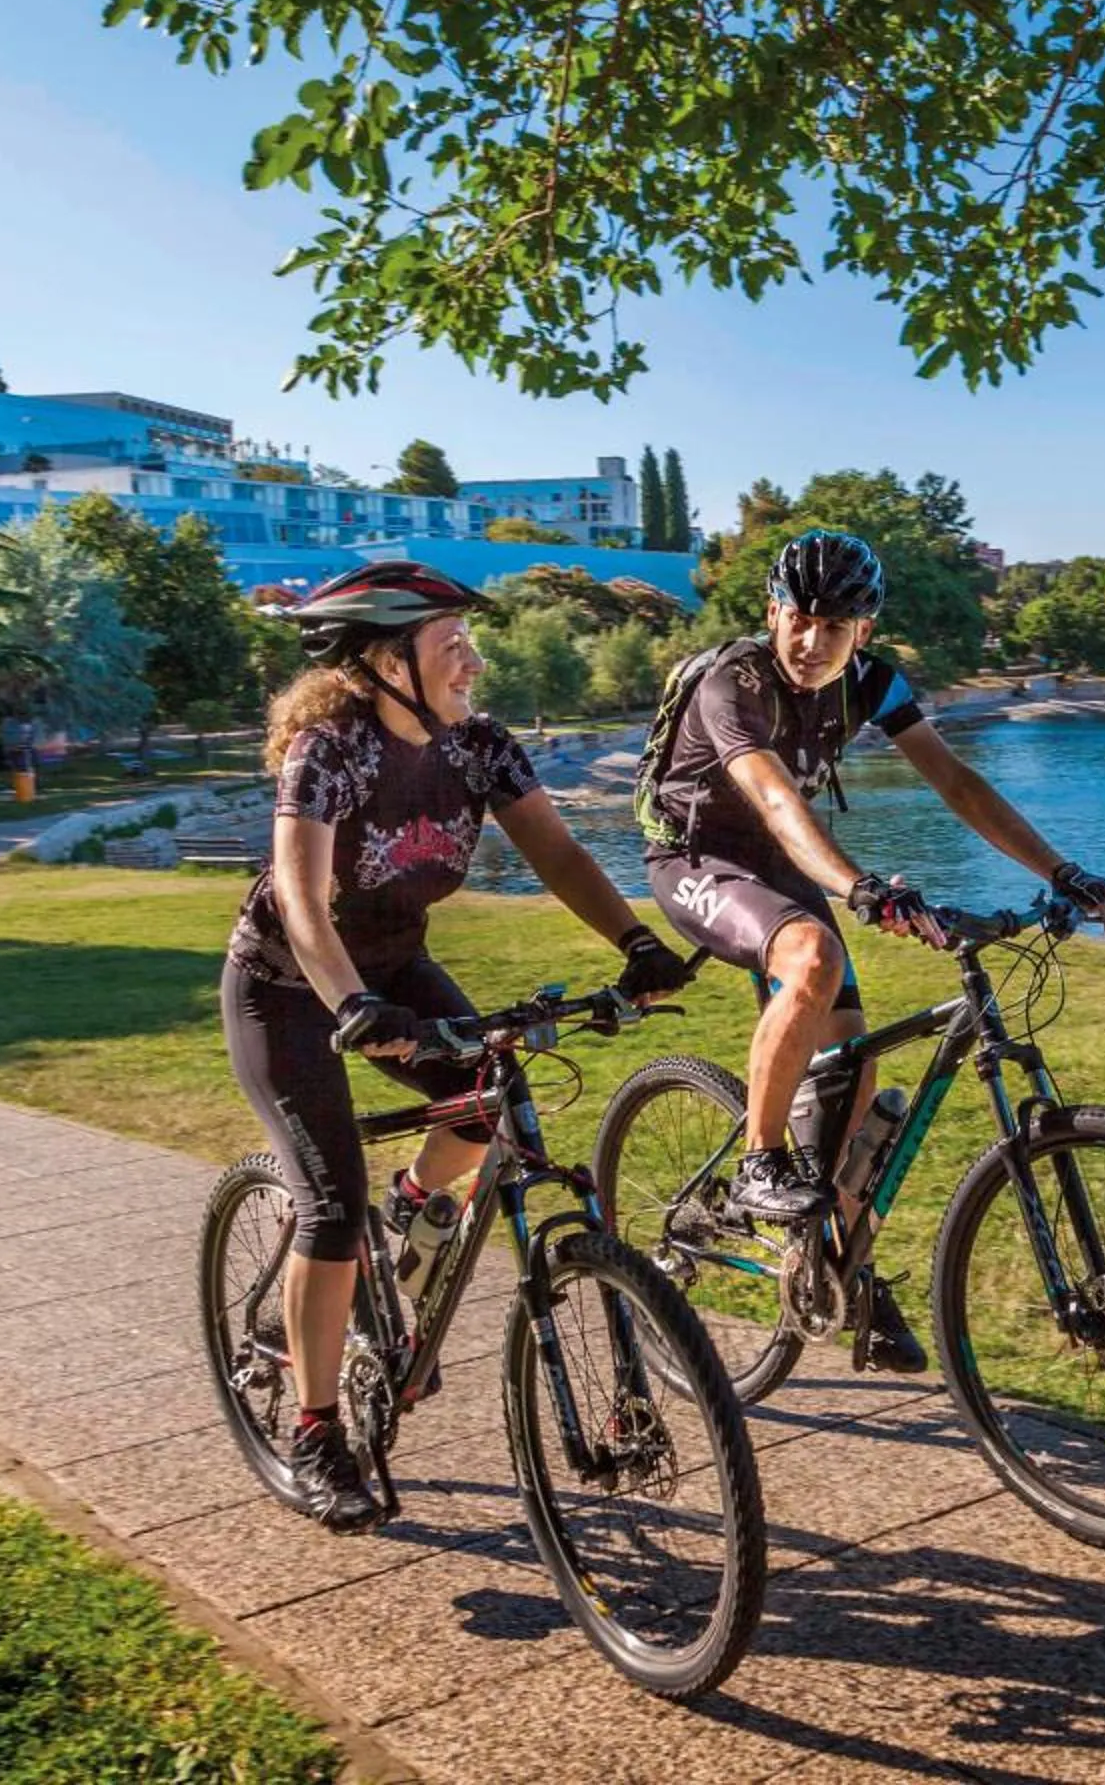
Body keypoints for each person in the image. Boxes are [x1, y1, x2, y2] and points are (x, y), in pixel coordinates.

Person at [222, 561, 694, 1530]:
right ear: (386, 661)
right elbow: (302, 898)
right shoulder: (330, 750)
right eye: (452, 646)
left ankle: (410, 1209)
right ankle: (317, 1430)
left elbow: (557, 852)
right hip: (290, 985)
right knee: (329, 1206)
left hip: (395, 967)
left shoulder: (478, 747)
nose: (474, 662)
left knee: (484, 1111)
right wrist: (351, 1002)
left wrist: (638, 943)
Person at [635, 529, 1105, 1373]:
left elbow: (956, 781)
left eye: (836, 626)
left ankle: (844, 1275)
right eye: (800, 618)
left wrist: (1060, 868)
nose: (813, 641)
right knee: (813, 958)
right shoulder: (733, 683)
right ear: (774, 611)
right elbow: (775, 799)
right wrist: (859, 886)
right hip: (696, 858)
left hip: (784, 867)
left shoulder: (871, 682)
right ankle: (758, 1162)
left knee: (856, 1091)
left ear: (864, 630)